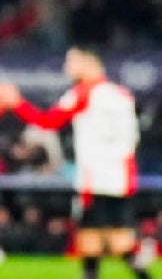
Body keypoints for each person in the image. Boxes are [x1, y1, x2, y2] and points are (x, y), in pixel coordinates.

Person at [0, 46, 151, 279]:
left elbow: (48, 121)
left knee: (96, 241)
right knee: (109, 240)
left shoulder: (84, 93)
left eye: (71, 61)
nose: (67, 67)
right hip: (122, 177)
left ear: (88, 61)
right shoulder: (121, 94)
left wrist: (17, 103)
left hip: (96, 178)